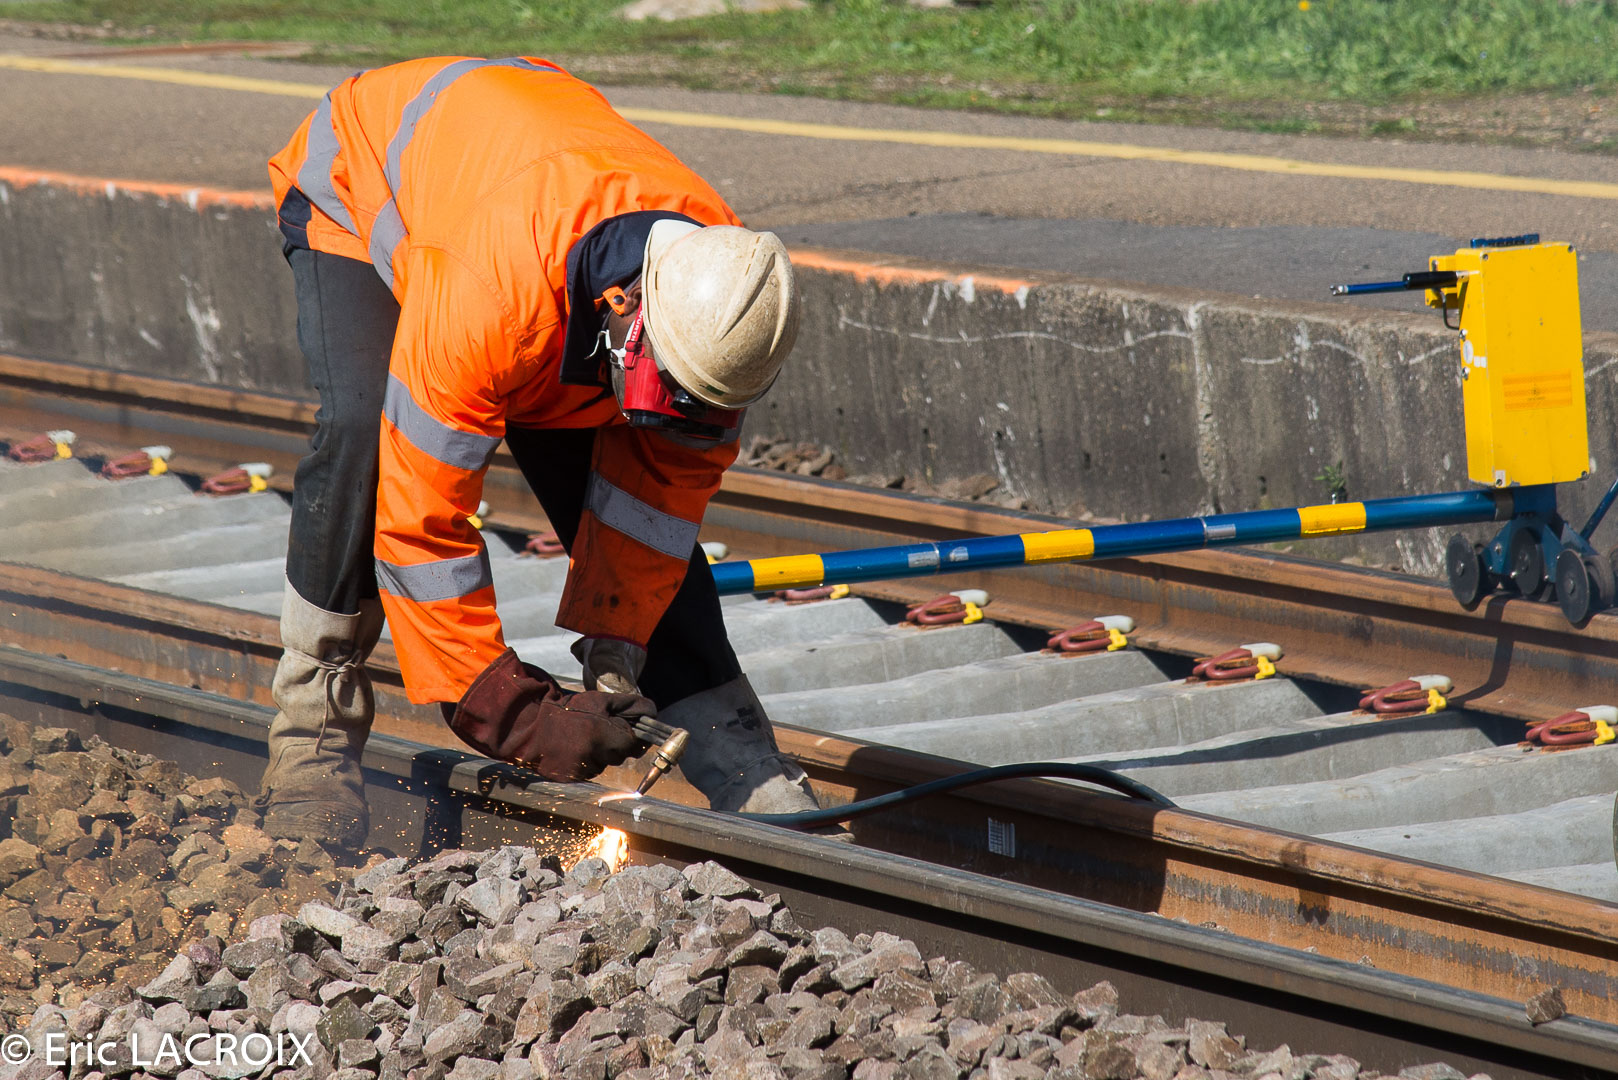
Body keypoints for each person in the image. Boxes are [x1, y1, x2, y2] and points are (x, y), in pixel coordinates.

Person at [257, 55, 824, 853]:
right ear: (624, 309)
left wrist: (618, 659)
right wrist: (517, 716)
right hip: (362, 179)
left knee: (622, 470)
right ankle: (311, 739)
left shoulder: (725, 297)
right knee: (363, 439)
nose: (682, 412)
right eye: (667, 387)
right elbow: (418, 530)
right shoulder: (487, 304)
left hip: (525, 192)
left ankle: (746, 767)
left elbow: (651, 519)